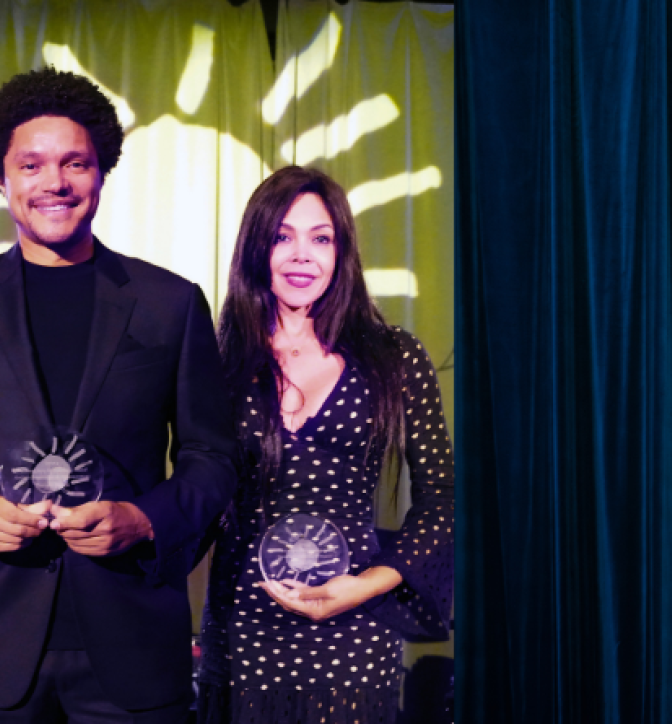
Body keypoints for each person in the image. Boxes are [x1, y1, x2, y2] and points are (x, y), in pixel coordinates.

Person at [0, 66, 239, 723]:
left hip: (134, 641)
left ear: (101, 172)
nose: (53, 183)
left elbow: (212, 459)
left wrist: (145, 521)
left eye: (74, 163)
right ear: (1, 180)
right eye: (30, 165)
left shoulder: (170, 304)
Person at [197, 166, 454, 723]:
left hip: (354, 633)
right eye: (282, 237)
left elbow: (443, 498)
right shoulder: (217, 360)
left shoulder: (395, 356)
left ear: (342, 253)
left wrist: (368, 584)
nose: (301, 256)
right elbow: (189, 494)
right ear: (256, 248)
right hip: (243, 632)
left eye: (320, 239)